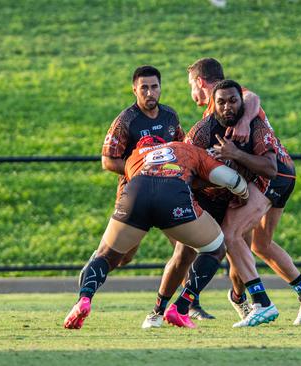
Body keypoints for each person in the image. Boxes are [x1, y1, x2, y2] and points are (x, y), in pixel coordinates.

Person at [188, 58, 301, 325]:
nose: (229, 106)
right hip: (281, 172)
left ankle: (260, 302)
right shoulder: (217, 112)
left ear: (198, 82)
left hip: (271, 173)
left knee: (230, 234)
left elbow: (251, 96)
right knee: (258, 244)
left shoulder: (235, 101)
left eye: (190, 87)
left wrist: (242, 127)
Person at [63, 135, 250, 329]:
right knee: (215, 248)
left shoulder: (134, 157)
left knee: (105, 256)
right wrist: (243, 194)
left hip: (136, 192)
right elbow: (230, 179)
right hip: (173, 194)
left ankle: (84, 298)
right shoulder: (185, 148)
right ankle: (182, 306)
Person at [98, 65, 214, 326]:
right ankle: (87, 290)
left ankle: (188, 305)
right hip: (136, 194)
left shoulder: (170, 116)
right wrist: (141, 170)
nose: (150, 92)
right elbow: (107, 160)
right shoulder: (126, 120)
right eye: (144, 88)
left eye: (154, 87)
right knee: (122, 256)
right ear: (134, 90)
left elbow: (182, 148)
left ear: (160, 87)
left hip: (170, 192)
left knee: (185, 249)